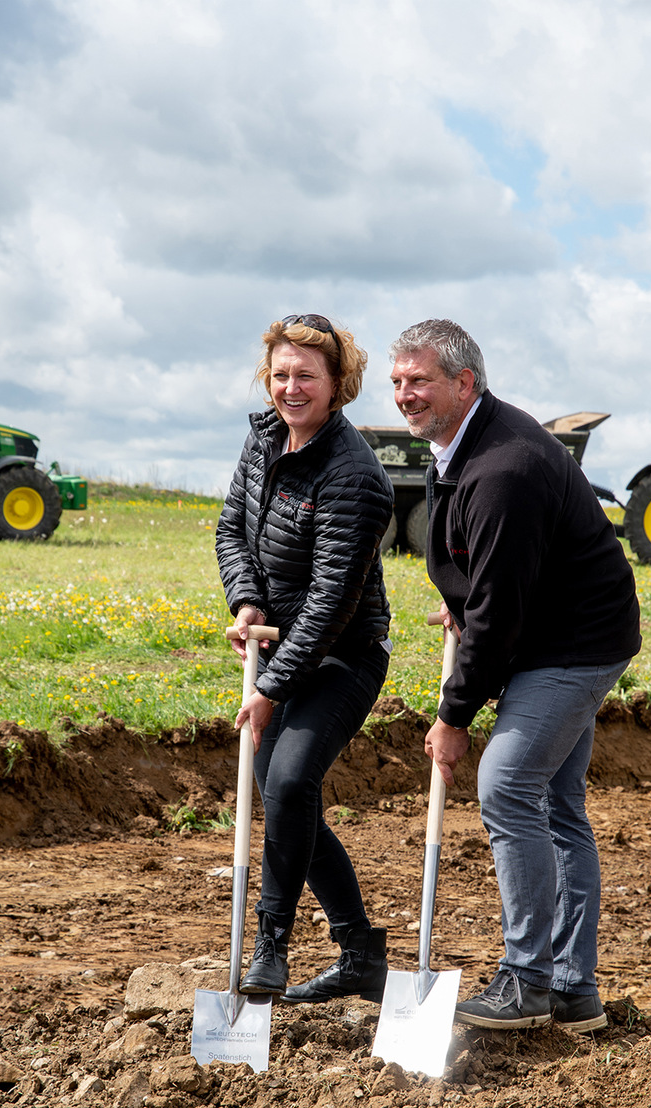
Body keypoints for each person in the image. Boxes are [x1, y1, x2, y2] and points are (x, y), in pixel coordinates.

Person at [389, 319, 642, 1032]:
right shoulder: (464, 443)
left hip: (573, 646)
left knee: (507, 784)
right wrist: (460, 599)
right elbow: (488, 571)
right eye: (399, 382)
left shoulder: (504, 465)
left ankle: (528, 980)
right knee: (557, 803)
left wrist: (453, 717)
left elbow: (500, 612)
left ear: (464, 383)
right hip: (550, 631)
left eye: (421, 381)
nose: (406, 394)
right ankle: (572, 991)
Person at [215, 314, 394, 1003]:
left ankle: (272, 945)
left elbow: (332, 598)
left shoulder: (355, 475)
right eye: (281, 374)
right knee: (289, 801)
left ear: (337, 384)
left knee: (288, 786)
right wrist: (247, 603)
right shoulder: (262, 441)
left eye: (306, 376)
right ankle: (360, 953)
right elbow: (233, 527)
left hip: (341, 657)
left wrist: (271, 686)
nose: (291, 388)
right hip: (276, 649)